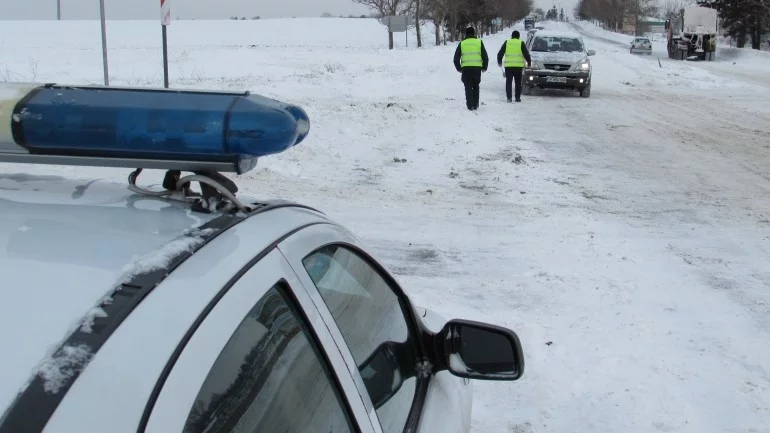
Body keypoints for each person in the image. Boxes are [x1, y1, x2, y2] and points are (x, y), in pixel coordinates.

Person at [453, 27, 489, 111]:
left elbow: (456, 59)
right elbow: (485, 56)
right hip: (477, 69)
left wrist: (459, 68)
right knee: (476, 86)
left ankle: (470, 105)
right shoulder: (479, 42)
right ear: (474, 33)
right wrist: (484, 67)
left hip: (466, 69)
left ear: (466, 34)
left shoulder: (462, 43)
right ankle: (475, 104)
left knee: (468, 87)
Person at [497, 30, 532, 103]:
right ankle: (517, 98)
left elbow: (500, 53)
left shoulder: (507, 42)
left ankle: (509, 98)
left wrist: (499, 61)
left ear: (512, 36)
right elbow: (526, 54)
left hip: (508, 67)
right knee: (518, 83)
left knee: (508, 82)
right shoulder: (521, 43)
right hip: (518, 67)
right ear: (518, 37)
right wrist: (529, 62)